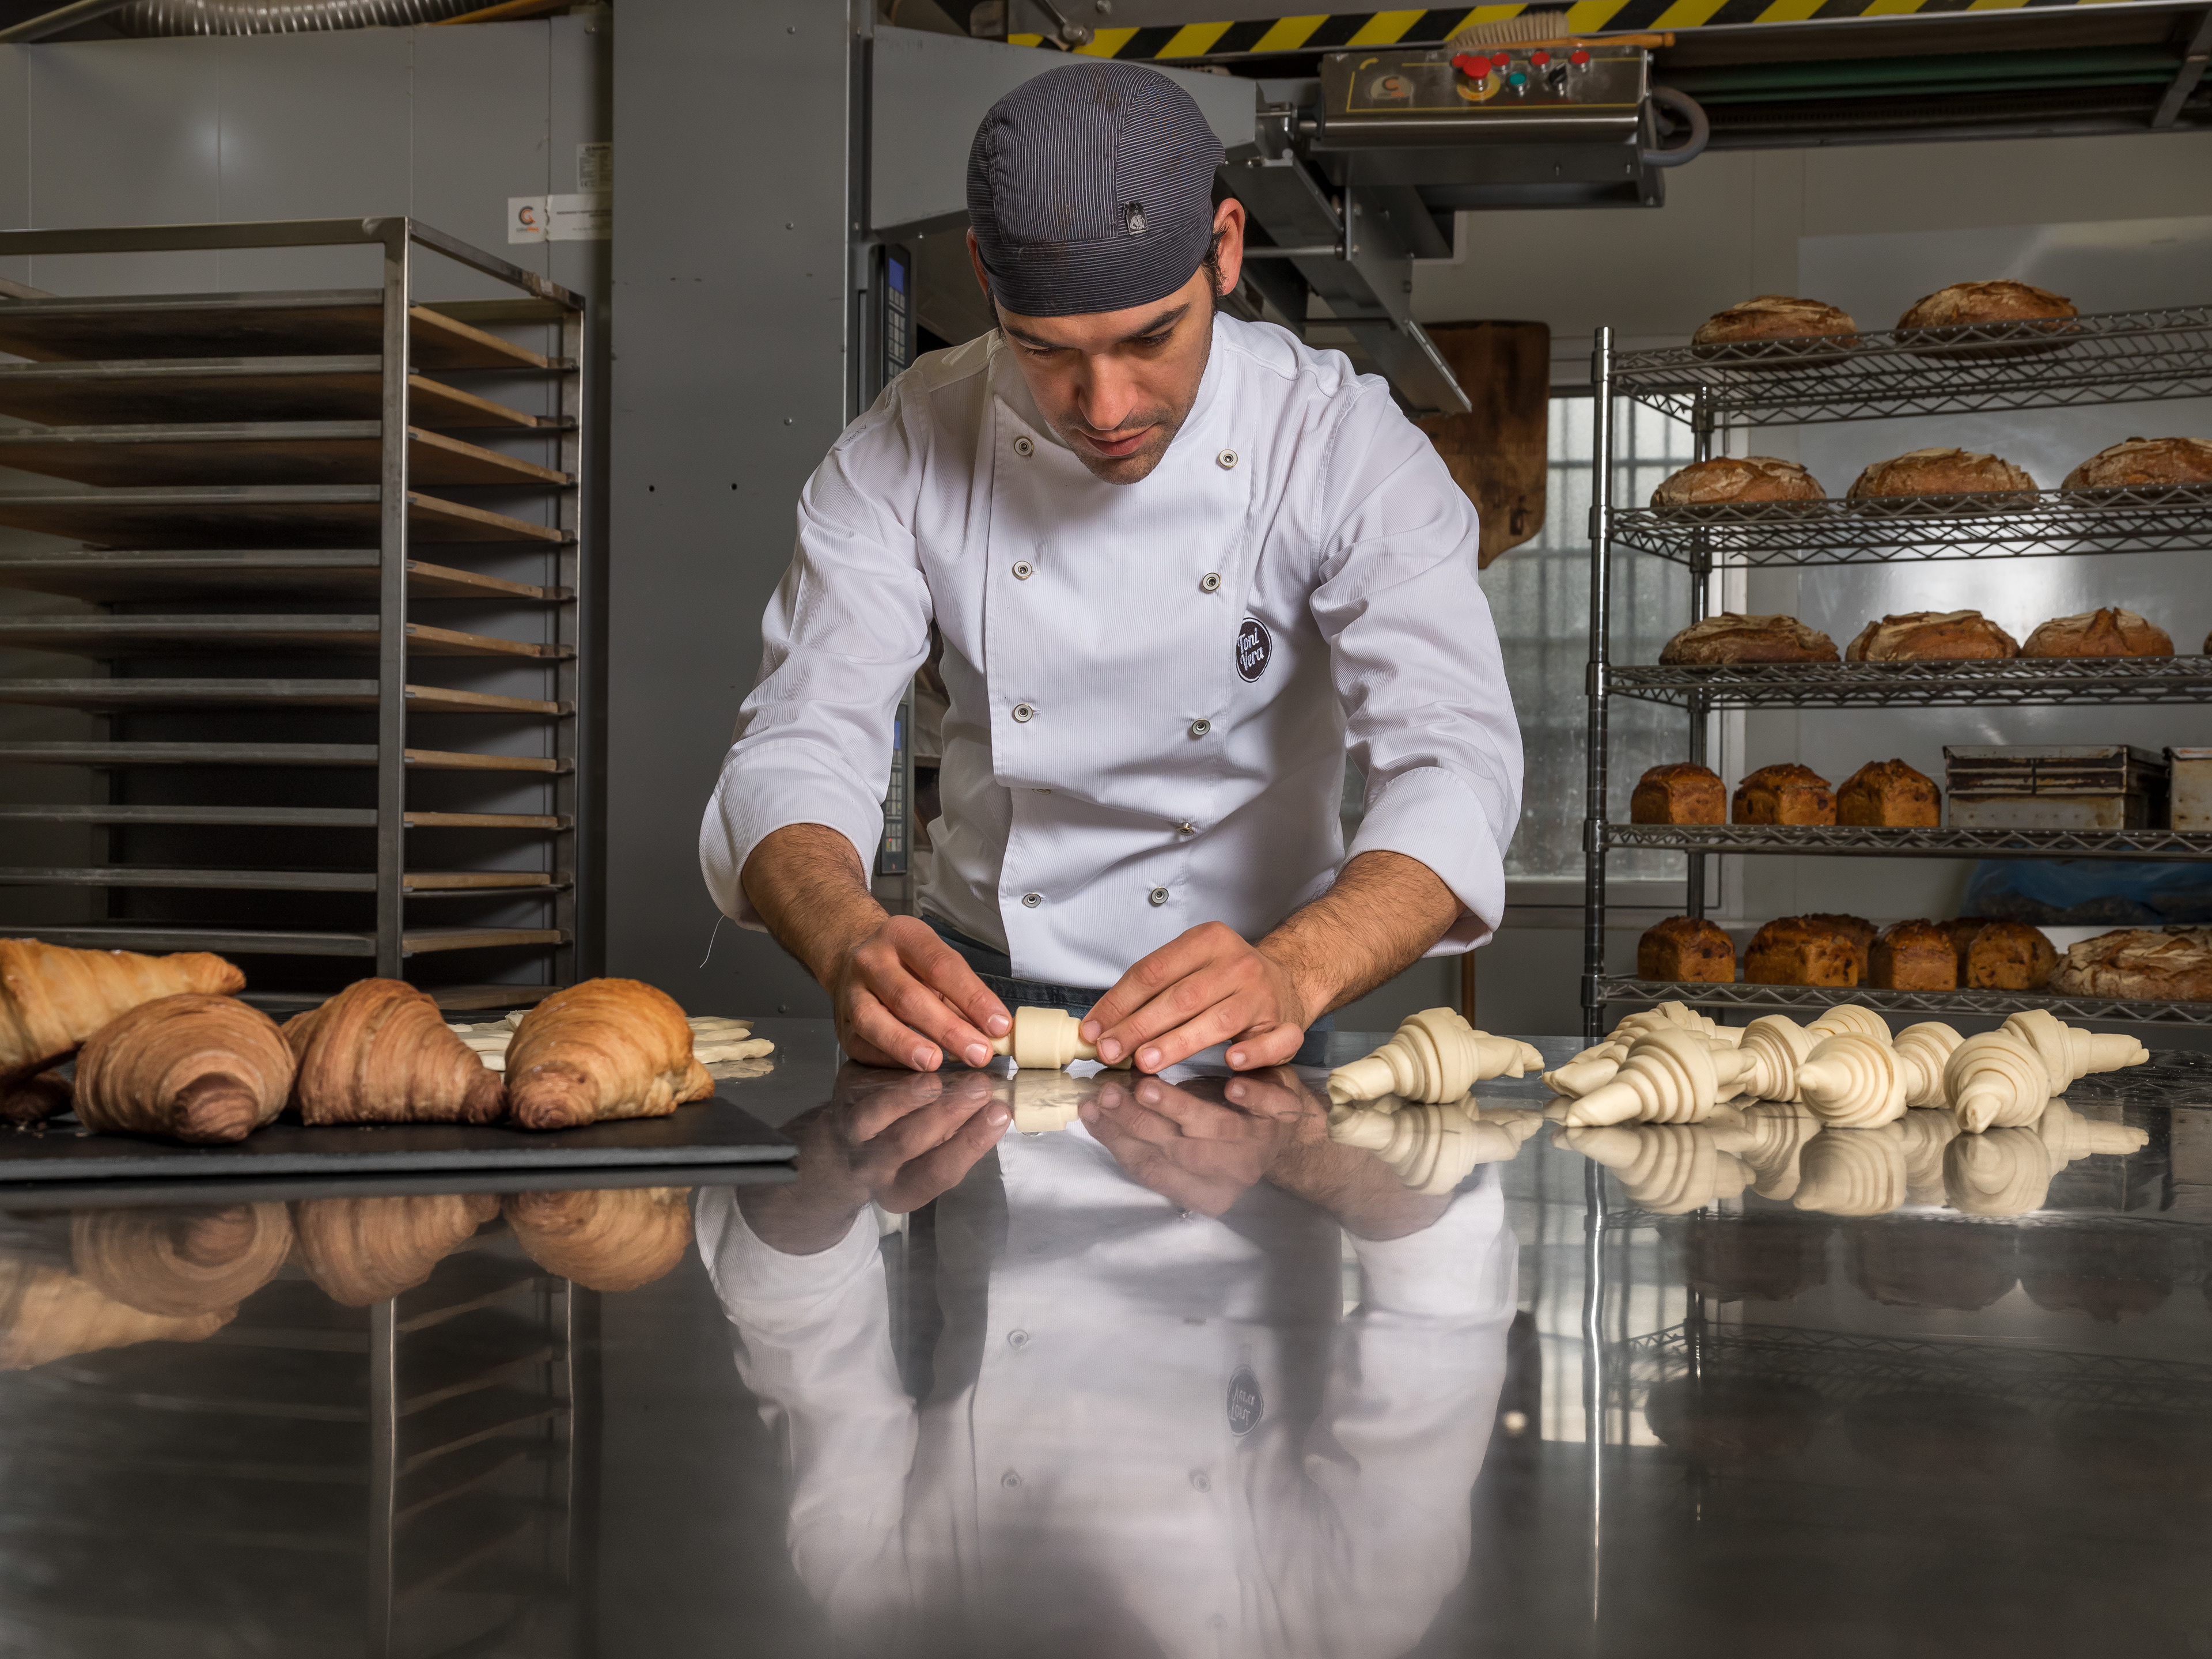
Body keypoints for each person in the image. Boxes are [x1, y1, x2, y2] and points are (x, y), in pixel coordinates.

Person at [699, 61, 1520, 1076]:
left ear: (1225, 248)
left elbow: (1452, 760)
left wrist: (1300, 970)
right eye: (1044, 350)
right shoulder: (906, 441)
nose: (1105, 407)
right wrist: (844, 939)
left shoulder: (1341, 445)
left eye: (1151, 337)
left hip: (1255, 1007)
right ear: (984, 275)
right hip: (970, 1013)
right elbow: (798, 742)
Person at [696, 1065, 1518, 1658]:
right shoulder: (1348, 1619)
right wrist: (1293, 1146)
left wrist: (846, 1159)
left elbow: (793, 1309)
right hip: (1255, 1041)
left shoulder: (883, 1609)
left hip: (983, 1015)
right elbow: (1443, 1298)